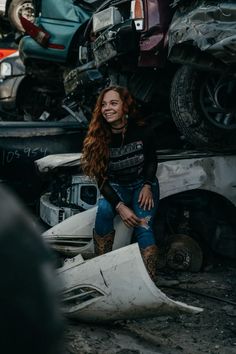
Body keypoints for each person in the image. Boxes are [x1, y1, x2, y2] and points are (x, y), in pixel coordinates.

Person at [81, 85, 159, 280]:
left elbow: (151, 159)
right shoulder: (98, 137)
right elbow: (101, 179)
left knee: (143, 225)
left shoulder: (143, 130)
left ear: (125, 106)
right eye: (104, 105)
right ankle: (102, 271)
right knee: (105, 210)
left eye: (114, 103)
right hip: (116, 185)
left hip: (142, 183)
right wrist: (120, 206)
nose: (107, 108)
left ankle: (149, 282)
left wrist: (148, 185)